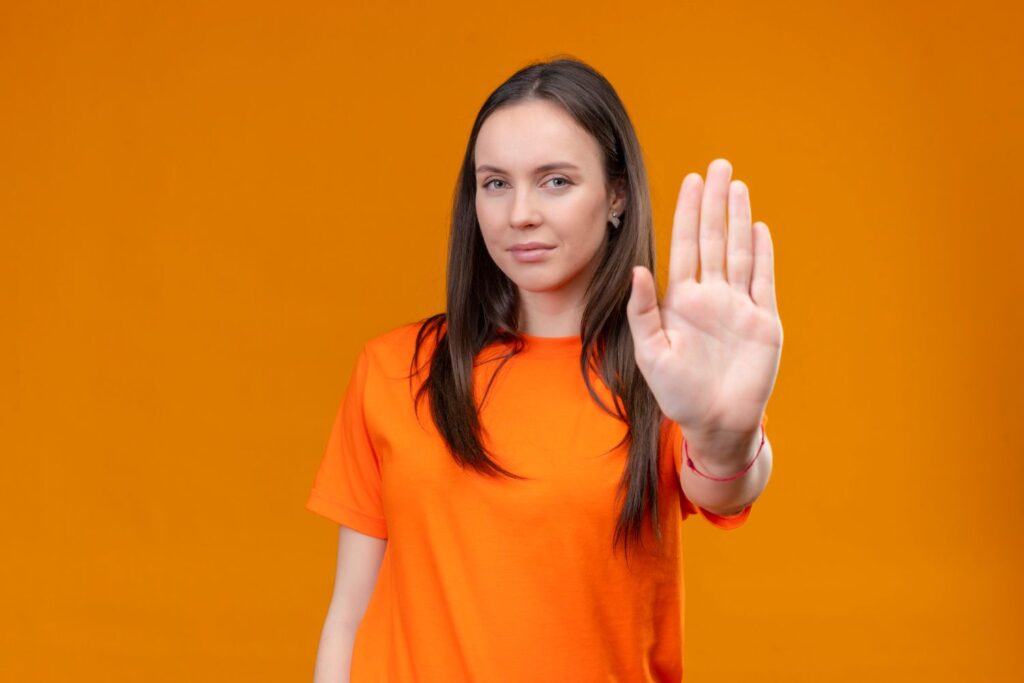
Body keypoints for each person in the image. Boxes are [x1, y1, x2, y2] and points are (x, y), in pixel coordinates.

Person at [306, 56, 782, 682]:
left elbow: (725, 484)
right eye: (495, 183)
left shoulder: (666, 372)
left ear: (616, 194)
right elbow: (349, 613)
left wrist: (725, 435)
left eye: (555, 181)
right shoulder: (395, 369)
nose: (519, 213)